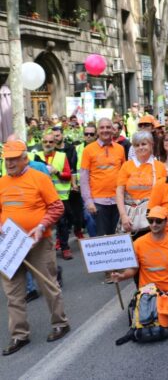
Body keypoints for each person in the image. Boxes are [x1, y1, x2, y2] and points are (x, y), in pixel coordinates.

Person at [0, 141, 70, 355]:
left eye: (14, 159)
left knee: (48, 284)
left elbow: (57, 207)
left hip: (38, 241)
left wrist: (41, 226)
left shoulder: (40, 178)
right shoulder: (2, 182)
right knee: (13, 292)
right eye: (7, 159)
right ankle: (19, 335)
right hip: (10, 244)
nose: (9, 163)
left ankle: (61, 323)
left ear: (25, 159)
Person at [110, 206, 168, 330]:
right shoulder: (139, 243)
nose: (154, 224)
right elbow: (133, 269)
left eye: (158, 221)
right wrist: (121, 276)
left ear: (166, 221)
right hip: (148, 294)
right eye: (151, 220)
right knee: (147, 321)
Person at [80, 118, 126, 237]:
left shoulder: (120, 149)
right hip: (98, 202)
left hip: (118, 201)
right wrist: (88, 201)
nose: (105, 130)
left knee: (117, 238)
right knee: (102, 239)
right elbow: (84, 178)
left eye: (108, 127)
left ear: (113, 130)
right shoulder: (88, 150)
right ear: (97, 131)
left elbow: (124, 174)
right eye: (102, 127)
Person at [116, 131, 167, 235]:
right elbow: (119, 192)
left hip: (154, 219)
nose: (140, 147)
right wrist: (123, 215)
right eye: (137, 145)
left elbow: (165, 193)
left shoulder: (160, 167)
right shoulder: (126, 166)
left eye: (144, 144)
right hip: (131, 217)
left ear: (151, 145)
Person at [33, 131, 74, 260]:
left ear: (55, 143)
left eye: (51, 142)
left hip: (58, 197)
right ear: (41, 143)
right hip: (41, 198)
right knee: (42, 224)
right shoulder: (35, 156)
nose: (48, 144)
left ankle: (65, 248)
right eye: (45, 142)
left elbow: (68, 175)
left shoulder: (61, 156)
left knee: (63, 224)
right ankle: (43, 251)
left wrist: (57, 172)